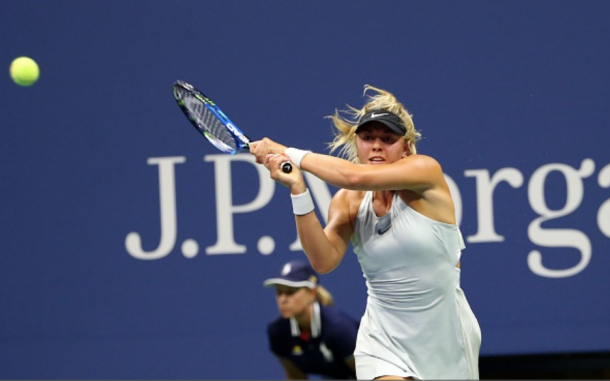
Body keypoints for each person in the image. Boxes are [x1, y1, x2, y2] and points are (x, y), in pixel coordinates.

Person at [250, 85, 482, 380]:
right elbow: (324, 261)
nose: (376, 146)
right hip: (382, 336)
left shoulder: (426, 172)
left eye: (388, 139)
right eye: (368, 137)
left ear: (406, 148)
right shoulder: (347, 201)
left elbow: (353, 175)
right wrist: (298, 189)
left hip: (445, 335)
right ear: (357, 143)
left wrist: (287, 152)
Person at [263, 260, 359, 380]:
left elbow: (368, 375)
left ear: (312, 293)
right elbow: (295, 377)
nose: (283, 300)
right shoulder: (277, 332)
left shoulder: (340, 328)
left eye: (290, 292)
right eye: (279, 292)